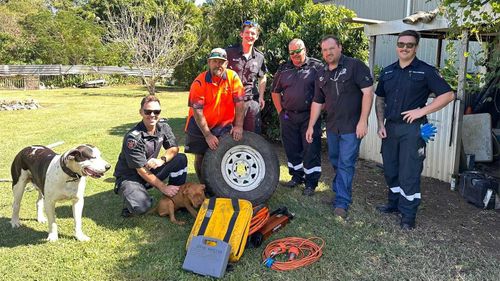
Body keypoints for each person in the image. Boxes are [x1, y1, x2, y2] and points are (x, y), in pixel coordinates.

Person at [374, 30, 455, 230]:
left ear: (416, 47)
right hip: (390, 128)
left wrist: (422, 112)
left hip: (412, 130)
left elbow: (448, 95)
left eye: (409, 45)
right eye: (401, 44)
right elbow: (380, 98)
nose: (404, 48)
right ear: (397, 46)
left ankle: (408, 215)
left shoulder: (425, 71)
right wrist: (380, 124)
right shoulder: (388, 71)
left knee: (409, 173)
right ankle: (394, 204)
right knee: (391, 169)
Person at [306, 35, 374, 218]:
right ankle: (339, 194)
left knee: (345, 163)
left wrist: (363, 120)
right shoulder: (321, 73)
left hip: (352, 127)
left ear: (340, 47)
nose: (328, 53)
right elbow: (317, 102)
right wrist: (311, 126)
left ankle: (342, 202)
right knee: (335, 161)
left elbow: (368, 93)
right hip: (333, 126)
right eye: (324, 50)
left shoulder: (355, 66)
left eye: (331, 49)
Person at [114, 95, 188, 217]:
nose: (152, 115)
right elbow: (141, 170)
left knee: (180, 159)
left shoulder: (163, 127)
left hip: (149, 169)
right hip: (130, 177)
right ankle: (132, 200)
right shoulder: (133, 138)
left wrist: (162, 160)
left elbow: (174, 148)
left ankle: (175, 197)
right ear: (141, 112)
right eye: (148, 111)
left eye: (156, 111)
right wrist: (163, 187)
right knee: (142, 206)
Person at [185, 48, 245, 183]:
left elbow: (240, 102)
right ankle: (204, 185)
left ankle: (220, 183)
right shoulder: (199, 82)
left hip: (222, 123)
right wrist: (207, 135)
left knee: (221, 153)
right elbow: (197, 111)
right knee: (200, 156)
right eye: (214, 61)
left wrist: (239, 126)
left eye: (221, 62)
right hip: (199, 123)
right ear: (209, 63)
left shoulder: (233, 77)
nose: (218, 65)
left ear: (226, 63)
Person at [271, 38, 323, 196]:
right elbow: (275, 92)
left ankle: (311, 182)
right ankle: (296, 176)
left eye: (297, 51)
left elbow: (324, 93)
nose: (295, 55)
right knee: (292, 148)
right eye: (291, 53)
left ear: (305, 49)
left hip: (309, 116)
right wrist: (281, 112)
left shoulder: (317, 67)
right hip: (288, 117)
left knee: (310, 149)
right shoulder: (284, 69)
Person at [226, 20, 268, 134]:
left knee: (253, 136)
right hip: (230, 102)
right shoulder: (229, 53)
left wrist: (261, 96)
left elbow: (263, 77)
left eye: (253, 34)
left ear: (257, 37)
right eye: (247, 33)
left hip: (250, 101)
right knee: (229, 135)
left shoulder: (259, 57)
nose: (250, 36)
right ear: (241, 34)